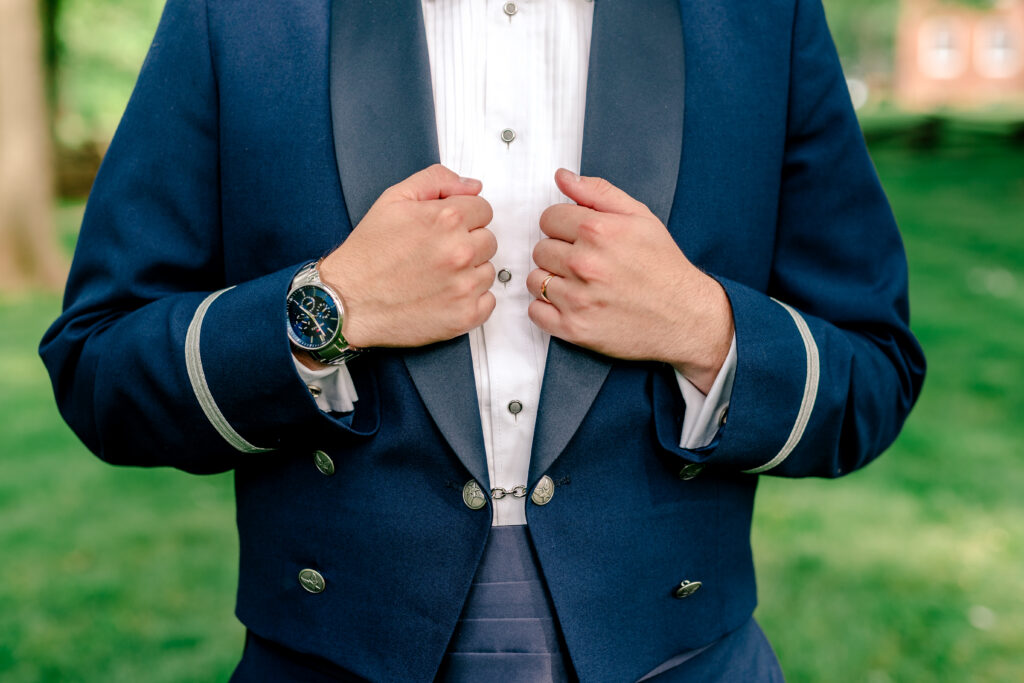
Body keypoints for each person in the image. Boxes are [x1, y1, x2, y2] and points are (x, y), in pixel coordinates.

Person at [40, 0, 926, 680]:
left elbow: (873, 369)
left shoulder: (760, 18)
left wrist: (702, 327)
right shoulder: (242, 14)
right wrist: (330, 309)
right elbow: (99, 363)